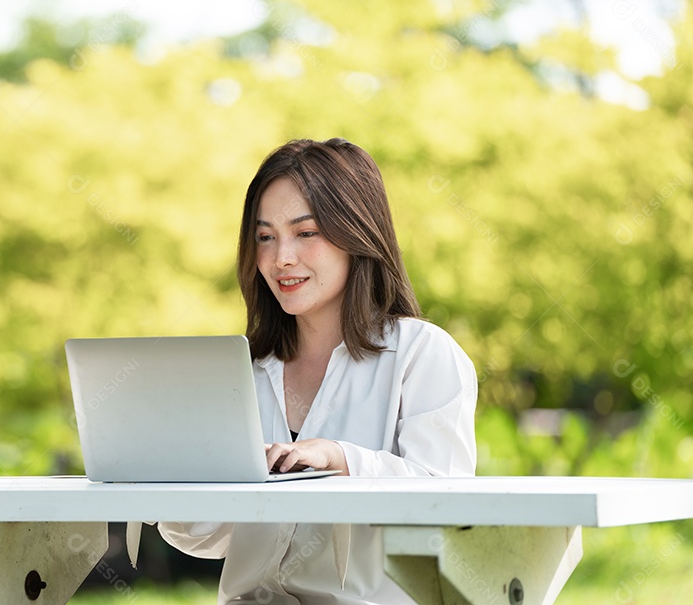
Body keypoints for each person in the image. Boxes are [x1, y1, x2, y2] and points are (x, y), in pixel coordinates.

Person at [156, 138, 478, 604]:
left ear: (358, 233)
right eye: (265, 236)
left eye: (305, 232)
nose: (280, 257)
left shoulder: (421, 354)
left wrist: (342, 460)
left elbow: (446, 511)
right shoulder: (243, 371)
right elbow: (206, 539)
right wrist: (177, 483)